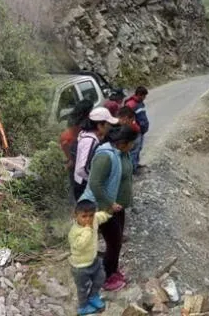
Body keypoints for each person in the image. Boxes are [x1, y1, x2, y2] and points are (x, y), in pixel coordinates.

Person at [80, 125, 138, 291]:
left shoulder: (121, 153)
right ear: (123, 142)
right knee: (113, 243)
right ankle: (105, 279)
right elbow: (95, 183)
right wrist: (109, 204)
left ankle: (112, 270)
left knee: (117, 241)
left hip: (115, 206)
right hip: (102, 207)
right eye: (132, 143)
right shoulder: (105, 156)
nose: (134, 146)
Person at [68, 199, 111, 315]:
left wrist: (109, 212)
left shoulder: (94, 219)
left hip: (93, 260)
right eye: (84, 216)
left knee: (101, 277)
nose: (88, 219)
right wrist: (87, 230)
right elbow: (79, 245)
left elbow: (100, 216)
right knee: (83, 288)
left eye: (90, 216)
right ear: (76, 216)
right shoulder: (74, 231)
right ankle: (83, 307)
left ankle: (93, 296)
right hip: (80, 267)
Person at [73, 107, 119, 200]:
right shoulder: (90, 141)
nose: (109, 127)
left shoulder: (85, 134)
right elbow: (81, 169)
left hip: (80, 181)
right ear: (99, 125)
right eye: (108, 124)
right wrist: (95, 181)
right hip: (84, 184)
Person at [60, 100, 94, 201]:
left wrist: (69, 158)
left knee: (75, 183)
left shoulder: (72, 119)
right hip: (79, 155)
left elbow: (65, 143)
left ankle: (78, 204)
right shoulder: (85, 123)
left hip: (73, 156)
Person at [124, 86, 149, 173]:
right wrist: (136, 128)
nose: (145, 98)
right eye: (144, 96)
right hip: (135, 131)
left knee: (138, 148)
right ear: (139, 94)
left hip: (140, 131)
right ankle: (132, 169)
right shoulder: (131, 104)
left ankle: (136, 164)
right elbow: (128, 119)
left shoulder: (140, 103)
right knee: (134, 150)